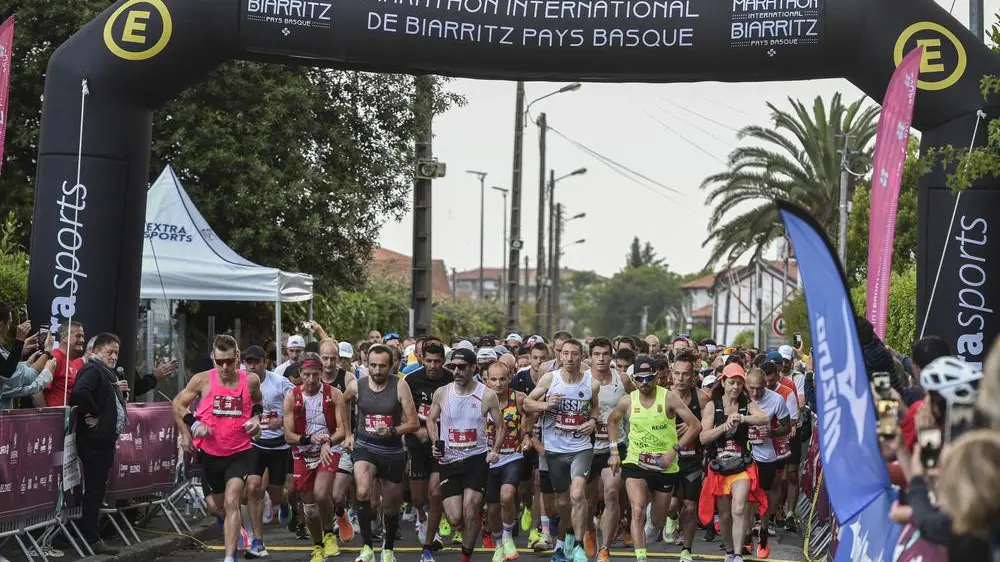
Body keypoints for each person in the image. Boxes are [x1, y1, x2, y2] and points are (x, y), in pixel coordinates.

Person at [174, 335, 263, 562]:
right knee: (215, 506)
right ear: (213, 358)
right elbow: (178, 404)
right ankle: (236, 531)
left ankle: (230, 557)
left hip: (239, 451)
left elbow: (257, 402)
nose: (224, 367)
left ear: (238, 358)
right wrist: (191, 427)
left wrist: (256, 419)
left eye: (230, 361)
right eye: (219, 361)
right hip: (210, 452)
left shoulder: (250, 380)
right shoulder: (201, 380)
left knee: (232, 500)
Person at [608, 356, 702, 562]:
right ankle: (641, 557)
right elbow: (612, 420)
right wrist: (614, 451)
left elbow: (695, 425)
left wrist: (673, 451)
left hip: (664, 466)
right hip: (636, 461)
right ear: (633, 379)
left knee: (657, 521)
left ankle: (653, 526)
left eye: (649, 378)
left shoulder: (668, 398)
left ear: (657, 377)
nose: (644, 383)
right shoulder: (627, 401)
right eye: (639, 379)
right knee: (638, 508)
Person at [525, 339, 601, 562]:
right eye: (565, 354)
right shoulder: (551, 379)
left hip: (581, 447)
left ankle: (578, 546)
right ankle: (567, 534)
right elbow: (527, 404)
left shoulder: (591, 383)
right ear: (560, 356)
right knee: (563, 502)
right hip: (555, 449)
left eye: (574, 354)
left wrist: (594, 421)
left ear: (581, 356)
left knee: (578, 494)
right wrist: (546, 405)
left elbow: (595, 407)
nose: (569, 358)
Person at [341, 344, 419, 562]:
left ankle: (388, 549)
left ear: (392, 365)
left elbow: (413, 423)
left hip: (393, 451)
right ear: (367, 364)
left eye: (382, 366)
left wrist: (393, 430)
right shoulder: (358, 385)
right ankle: (366, 548)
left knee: (391, 507)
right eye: (373, 365)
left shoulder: (400, 386)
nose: (377, 371)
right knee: (363, 492)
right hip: (365, 446)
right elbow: (343, 401)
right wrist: (348, 433)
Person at [426, 348, 506, 562]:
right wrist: (435, 443)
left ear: (473, 368)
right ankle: (473, 522)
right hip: (449, 460)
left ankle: (465, 557)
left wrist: (495, 450)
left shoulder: (486, 394)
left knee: (470, 510)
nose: (457, 371)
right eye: (454, 367)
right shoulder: (442, 393)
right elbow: (431, 419)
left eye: (462, 367)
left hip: (476, 459)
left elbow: (500, 426)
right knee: (454, 518)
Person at [698, 364, 771, 562]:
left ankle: (738, 554)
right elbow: (703, 437)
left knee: (739, 508)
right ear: (723, 382)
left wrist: (743, 418)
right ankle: (729, 551)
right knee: (725, 515)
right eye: (732, 383)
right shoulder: (713, 405)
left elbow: (764, 418)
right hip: (720, 465)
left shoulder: (746, 403)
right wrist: (724, 425)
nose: (736, 387)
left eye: (740, 383)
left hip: (742, 464)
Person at [69, 333, 129, 555]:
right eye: (109, 352)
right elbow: (80, 394)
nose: (114, 356)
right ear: (96, 351)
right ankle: (92, 539)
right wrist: (95, 414)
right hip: (94, 441)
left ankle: (89, 535)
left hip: (103, 440)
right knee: (94, 490)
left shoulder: (106, 373)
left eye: (116, 352)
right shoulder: (93, 370)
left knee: (97, 489)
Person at [284, 352, 347, 562]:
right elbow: (289, 435)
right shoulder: (292, 397)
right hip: (303, 452)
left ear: (322, 374)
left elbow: (342, 430)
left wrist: (327, 442)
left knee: (321, 494)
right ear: (300, 374)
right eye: (307, 375)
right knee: (310, 511)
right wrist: (310, 439)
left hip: (329, 450)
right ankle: (318, 545)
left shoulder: (334, 394)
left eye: (316, 375)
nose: (311, 380)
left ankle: (330, 533)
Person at [244, 345, 294, 558]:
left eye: (256, 361)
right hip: (255, 444)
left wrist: (282, 421)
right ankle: (257, 541)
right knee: (254, 488)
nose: (252, 366)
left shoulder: (280, 382)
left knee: (275, 494)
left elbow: (298, 405)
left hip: (279, 445)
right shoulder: (241, 382)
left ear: (265, 362)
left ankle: (283, 503)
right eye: (249, 362)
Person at [403, 341, 453, 554]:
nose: (433, 366)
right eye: (429, 361)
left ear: (443, 361)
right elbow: (404, 412)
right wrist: (416, 430)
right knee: (418, 497)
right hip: (418, 443)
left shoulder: (452, 379)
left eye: (437, 362)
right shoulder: (411, 380)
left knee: (436, 493)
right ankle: (421, 517)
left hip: (443, 444)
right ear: (421, 359)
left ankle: (433, 534)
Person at [587, 337, 634, 561]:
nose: (601, 358)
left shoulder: (622, 379)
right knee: (586, 500)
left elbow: (638, 402)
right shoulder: (582, 380)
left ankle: (605, 548)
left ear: (611, 356)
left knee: (612, 493)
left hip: (615, 447)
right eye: (596, 354)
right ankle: (588, 529)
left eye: (605, 354)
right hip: (586, 447)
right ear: (590, 356)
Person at [667, 349, 712, 562]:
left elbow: (707, 429)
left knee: (690, 506)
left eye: (685, 374)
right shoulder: (664, 396)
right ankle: (671, 517)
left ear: (693, 375)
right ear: (671, 374)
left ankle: (686, 548)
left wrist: (694, 427)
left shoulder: (702, 398)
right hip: (668, 458)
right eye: (677, 373)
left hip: (692, 459)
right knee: (671, 505)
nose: (680, 378)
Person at [482, 361, 530, 562]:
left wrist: (527, 436)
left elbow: (530, 416)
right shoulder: (479, 399)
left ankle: (509, 536)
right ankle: (499, 543)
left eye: (502, 379)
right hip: (487, 459)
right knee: (492, 509)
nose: (498, 383)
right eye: (493, 379)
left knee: (507, 496)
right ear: (487, 380)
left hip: (513, 455)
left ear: (510, 378)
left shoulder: (518, 398)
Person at [745, 367, 791, 558]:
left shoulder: (776, 400)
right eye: (752, 388)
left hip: (766, 456)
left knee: (762, 496)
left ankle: (763, 531)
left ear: (766, 385)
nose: (755, 393)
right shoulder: (741, 397)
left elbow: (787, 427)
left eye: (759, 388)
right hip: (744, 456)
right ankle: (746, 537)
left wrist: (771, 432)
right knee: (744, 496)